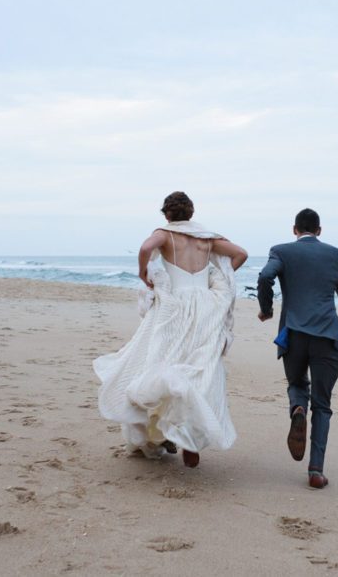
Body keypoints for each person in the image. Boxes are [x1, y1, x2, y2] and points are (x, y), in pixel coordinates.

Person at [94, 191, 247, 468]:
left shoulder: (164, 234)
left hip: (174, 306)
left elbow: (144, 249)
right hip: (204, 305)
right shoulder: (207, 237)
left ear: (167, 214)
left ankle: (164, 432)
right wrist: (220, 276)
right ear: (191, 213)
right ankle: (188, 435)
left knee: (162, 360)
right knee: (199, 364)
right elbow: (240, 254)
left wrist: (143, 271)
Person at [257, 208, 338, 488]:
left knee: (297, 383)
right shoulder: (335, 255)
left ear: (294, 230)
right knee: (323, 404)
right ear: (320, 230)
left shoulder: (281, 251)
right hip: (326, 335)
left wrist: (266, 309)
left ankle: (298, 409)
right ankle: (315, 471)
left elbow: (265, 277)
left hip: (294, 333)